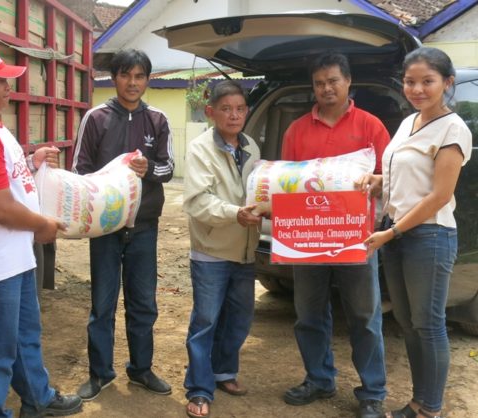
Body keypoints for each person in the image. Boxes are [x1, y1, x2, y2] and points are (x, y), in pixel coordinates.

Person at [0, 45, 83, 418]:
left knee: (25, 337)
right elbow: (0, 207)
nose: (10, 89)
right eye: (0, 81)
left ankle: (38, 399)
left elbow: (3, 179)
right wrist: (43, 225)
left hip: (15, 256)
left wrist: (31, 160)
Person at [360, 47, 472, 418]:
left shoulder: (453, 128)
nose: (417, 89)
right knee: (408, 323)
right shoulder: (409, 122)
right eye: (410, 81)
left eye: (428, 81)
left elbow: (440, 194)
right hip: (400, 232)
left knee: (428, 324)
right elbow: (407, 177)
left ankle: (430, 408)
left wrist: (391, 234)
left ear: (447, 83)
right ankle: (418, 401)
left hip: (429, 236)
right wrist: (378, 181)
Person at [280, 52, 389, 418]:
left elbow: (390, 181)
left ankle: (372, 392)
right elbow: (286, 185)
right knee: (309, 314)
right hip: (307, 238)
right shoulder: (296, 130)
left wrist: (378, 183)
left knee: (364, 316)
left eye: (332, 81)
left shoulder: (371, 127)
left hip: (356, 238)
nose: (326, 88)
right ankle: (319, 379)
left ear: (348, 82)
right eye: (319, 83)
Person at [71, 49, 174, 401]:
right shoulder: (96, 118)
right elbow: (79, 171)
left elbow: (168, 168)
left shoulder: (157, 120)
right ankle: (99, 374)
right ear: (114, 78)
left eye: (140, 76)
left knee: (143, 302)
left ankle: (141, 369)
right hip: (105, 230)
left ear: (147, 79)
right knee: (103, 303)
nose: (133, 83)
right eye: (126, 75)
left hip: (144, 227)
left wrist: (150, 171)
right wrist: (99, 197)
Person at [182, 80, 262, 418]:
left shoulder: (252, 148)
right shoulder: (200, 149)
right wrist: (236, 214)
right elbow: (198, 202)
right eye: (226, 109)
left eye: (240, 109)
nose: (234, 115)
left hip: (245, 251)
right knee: (205, 321)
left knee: (239, 319)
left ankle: (224, 372)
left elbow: (260, 191)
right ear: (211, 112)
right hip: (211, 251)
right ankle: (199, 389)